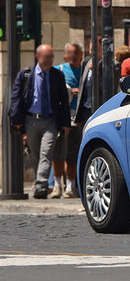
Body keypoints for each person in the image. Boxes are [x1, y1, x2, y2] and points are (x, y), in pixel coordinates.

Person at [9, 45, 71, 199]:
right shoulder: (25, 75)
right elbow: (16, 97)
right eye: (47, 56)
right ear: (38, 57)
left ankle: (42, 184)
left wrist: (65, 123)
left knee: (46, 152)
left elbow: (63, 100)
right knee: (36, 154)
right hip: (30, 119)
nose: (50, 60)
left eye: (51, 56)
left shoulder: (57, 75)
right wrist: (16, 120)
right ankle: (39, 183)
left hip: (50, 120)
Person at [50, 42, 83, 198]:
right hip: (62, 116)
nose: (73, 55)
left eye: (76, 52)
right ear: (65, 54)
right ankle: (57, 185)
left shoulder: (85, 71)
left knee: (72, 153)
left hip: (78, 116)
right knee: (58, 152)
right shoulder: (58, 70)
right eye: (70, 52)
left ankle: (70, 186)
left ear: (81, 54)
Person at [75, 36, 102, 128]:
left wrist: (97, 73)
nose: (92, 53)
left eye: (95, 50)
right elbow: (82, 88)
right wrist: (78, 116)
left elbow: (109, 89)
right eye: (91, 50)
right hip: (86, 110)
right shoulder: (86, 62)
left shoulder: (111, 64)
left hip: (100, 110)